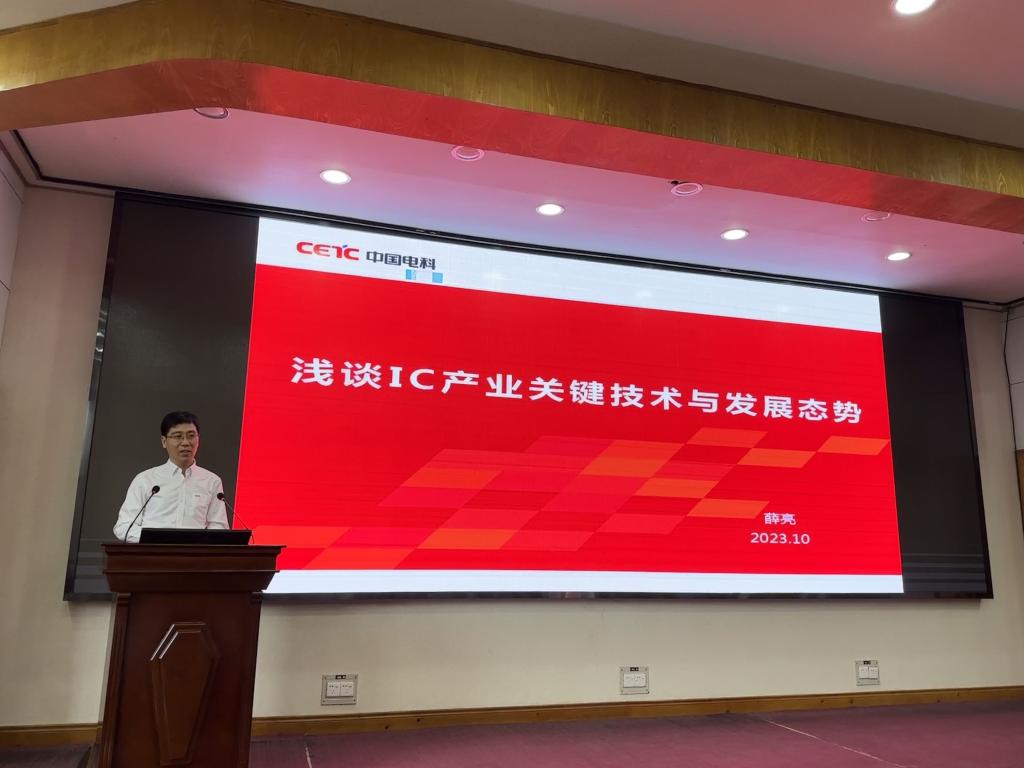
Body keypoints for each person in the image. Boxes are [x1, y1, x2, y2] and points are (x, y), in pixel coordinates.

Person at [113, 411, 229, 542]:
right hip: (152, 552)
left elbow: (219, 527)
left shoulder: (212, 481)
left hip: (194, 553)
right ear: (164, 441)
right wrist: (157, 539)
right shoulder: (145, 479)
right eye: (178, 436)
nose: (185, 443)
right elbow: (124, 526)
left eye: (191, 436)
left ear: (198, 440)